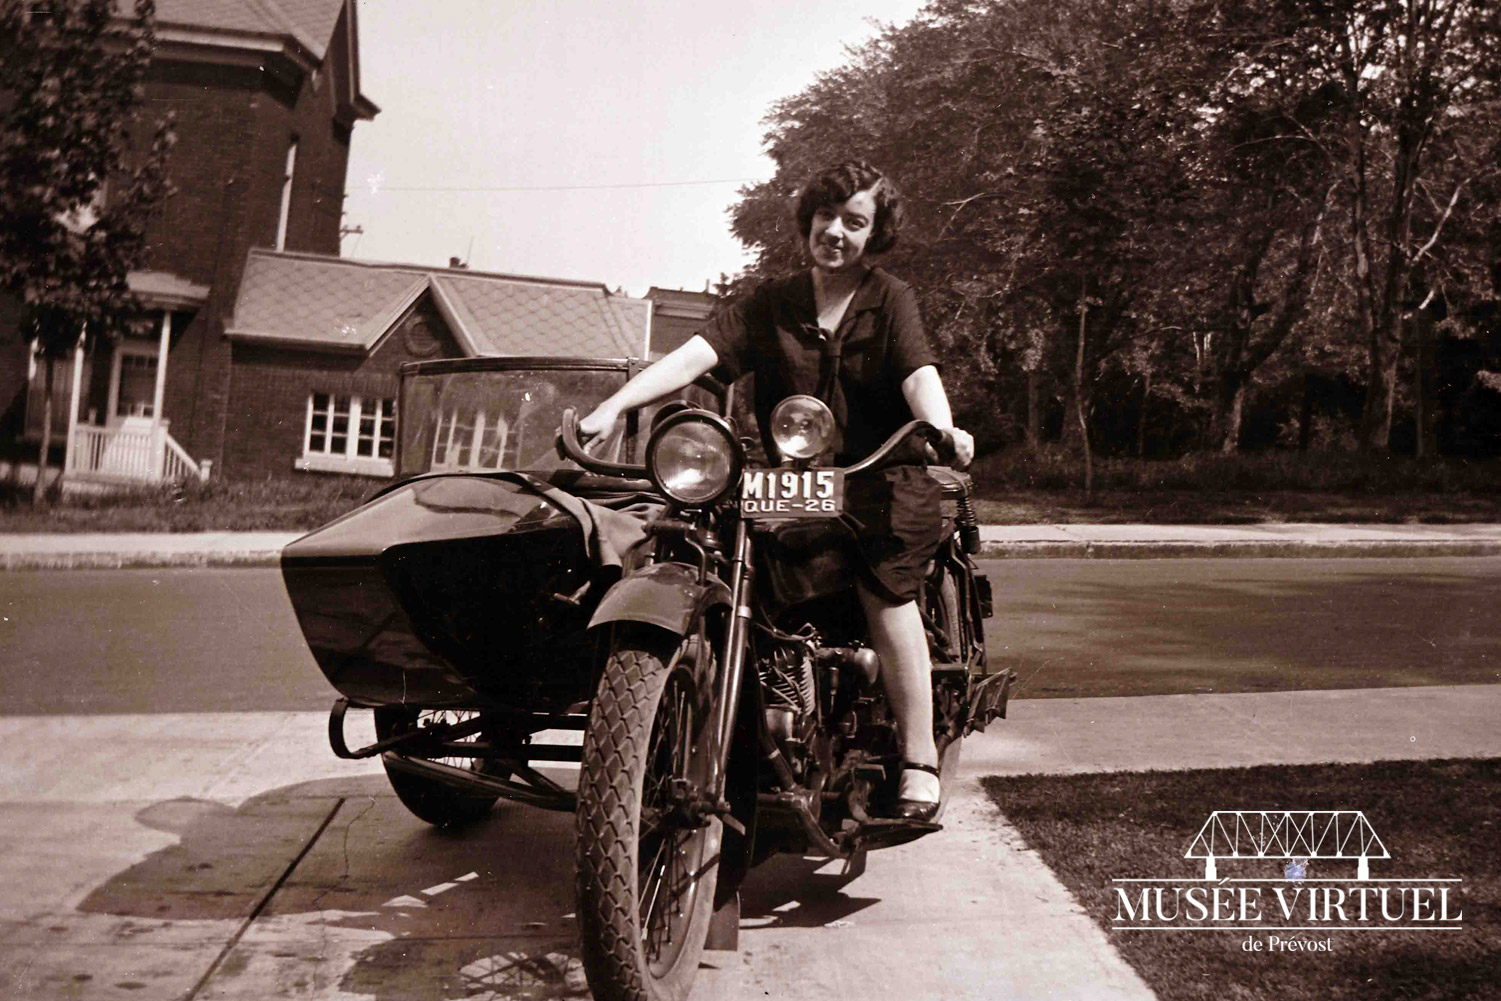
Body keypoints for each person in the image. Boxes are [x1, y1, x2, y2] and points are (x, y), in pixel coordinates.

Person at [578, 160, 974, 821]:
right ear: (807, 221)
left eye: (855, 221)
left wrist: (942, 426)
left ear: (873, 234)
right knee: (718, 556)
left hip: (879, 478)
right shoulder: (773, 300)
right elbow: (694, 355)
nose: (837, 232)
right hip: (797, 484)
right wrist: (615, 405)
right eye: (827, 216)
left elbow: (916, 370)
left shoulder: (888, 297)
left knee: (884, 592)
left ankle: (917, 759)